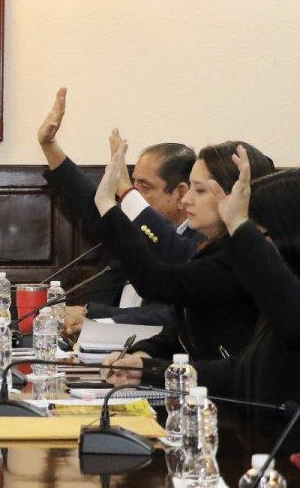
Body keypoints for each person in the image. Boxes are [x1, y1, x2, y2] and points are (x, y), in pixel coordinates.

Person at [105, 147, 300, 450]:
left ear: (291, 234)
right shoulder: (294, 290)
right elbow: (242, 373)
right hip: (281, 452)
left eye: (258, 237)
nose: (252, 256)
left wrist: (239, 227)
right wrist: (149, 371)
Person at [92, 138, 277, 364]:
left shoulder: (243, 259)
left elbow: (155, 282)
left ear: (235, 196)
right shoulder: (216, 250)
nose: (186, 200)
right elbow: (183, 333)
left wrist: (107, 205)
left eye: (199, 190)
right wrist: (143, 356)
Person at [37, 88, 202, 336]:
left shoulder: (199, 245)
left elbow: (172, 314)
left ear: (179, 193)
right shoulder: (133, 228)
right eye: (132, 184)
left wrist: (92, 314)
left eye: (144, 187)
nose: (132, 195)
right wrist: (49, 146)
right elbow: (91, 207)